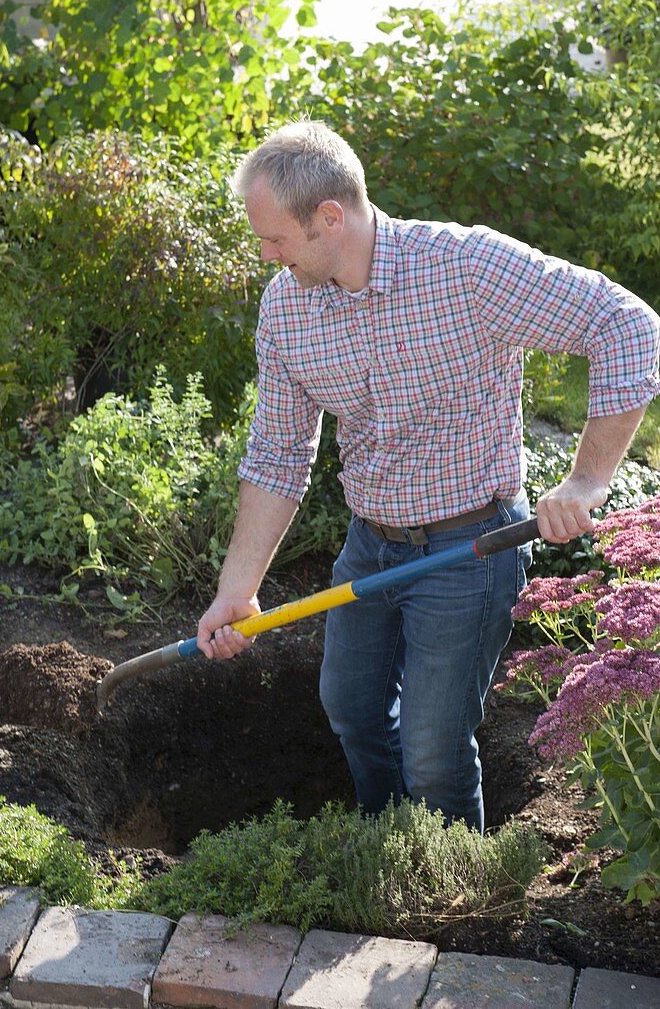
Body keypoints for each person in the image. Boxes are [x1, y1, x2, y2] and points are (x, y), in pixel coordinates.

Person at [195, 119, 660, 832]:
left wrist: (589, 479)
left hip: (470, 547)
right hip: (370, 543)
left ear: (329, 218)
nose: (266, 255)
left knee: (434, 750)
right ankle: (389, 854)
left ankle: (451, 908)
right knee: (352, 709)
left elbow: (626, 325)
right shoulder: (287, 308)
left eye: (276, 239)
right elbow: (278, 453)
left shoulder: (465, 268)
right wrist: (239, 589)